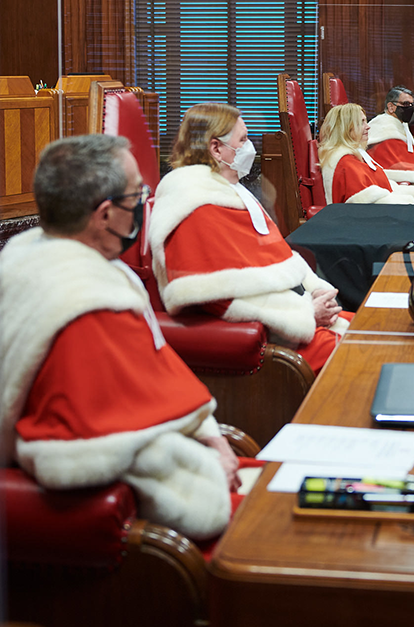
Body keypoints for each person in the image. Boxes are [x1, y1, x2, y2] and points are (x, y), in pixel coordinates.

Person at [0, 134, 242, 541]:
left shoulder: (26, 256)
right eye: (138, 194)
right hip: (124, 528)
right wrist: (207, 468)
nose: (144, 204)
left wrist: (209, 435)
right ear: (107, 214)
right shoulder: (89, 305)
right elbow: (93, 449)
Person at [149, 102, 352, 376]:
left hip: (294, 315)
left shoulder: (232, 192)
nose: (250, 148)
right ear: (216, 148)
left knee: (373, 325)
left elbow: (275, 257)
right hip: (276, 337)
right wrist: (306, 313)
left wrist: (316, 290)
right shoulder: (192, 205)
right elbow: (213, 297)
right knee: (368, 354)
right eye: (243, 140)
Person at [319, 102, 414, 205]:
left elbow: (382, 187)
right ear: (346, 128)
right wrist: (411, 200)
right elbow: (368, 204)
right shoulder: (345, 163)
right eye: (361, 123)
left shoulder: (357, 156)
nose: (368, 127)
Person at [366, 86, 414, 196]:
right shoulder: (385, 128)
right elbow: (398, 166)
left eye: (412, 105)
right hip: (391, 187)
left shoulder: (401, 124)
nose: (410, 108)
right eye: (405, 104)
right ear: (391, 107)